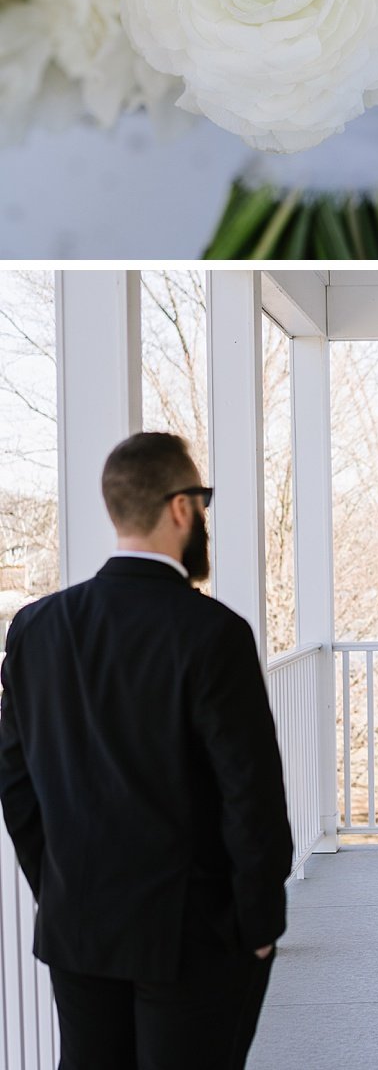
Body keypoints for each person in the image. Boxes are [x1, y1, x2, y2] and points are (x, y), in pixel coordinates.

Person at [0, 431, 294, 1070]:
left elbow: (15, 784)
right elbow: (251, 798)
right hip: (192, 934)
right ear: (182, 507)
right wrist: (261, 925)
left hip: (78, 927)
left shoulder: (35, 628)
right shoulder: (213, 634)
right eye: (204, 502)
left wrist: (60, 890)